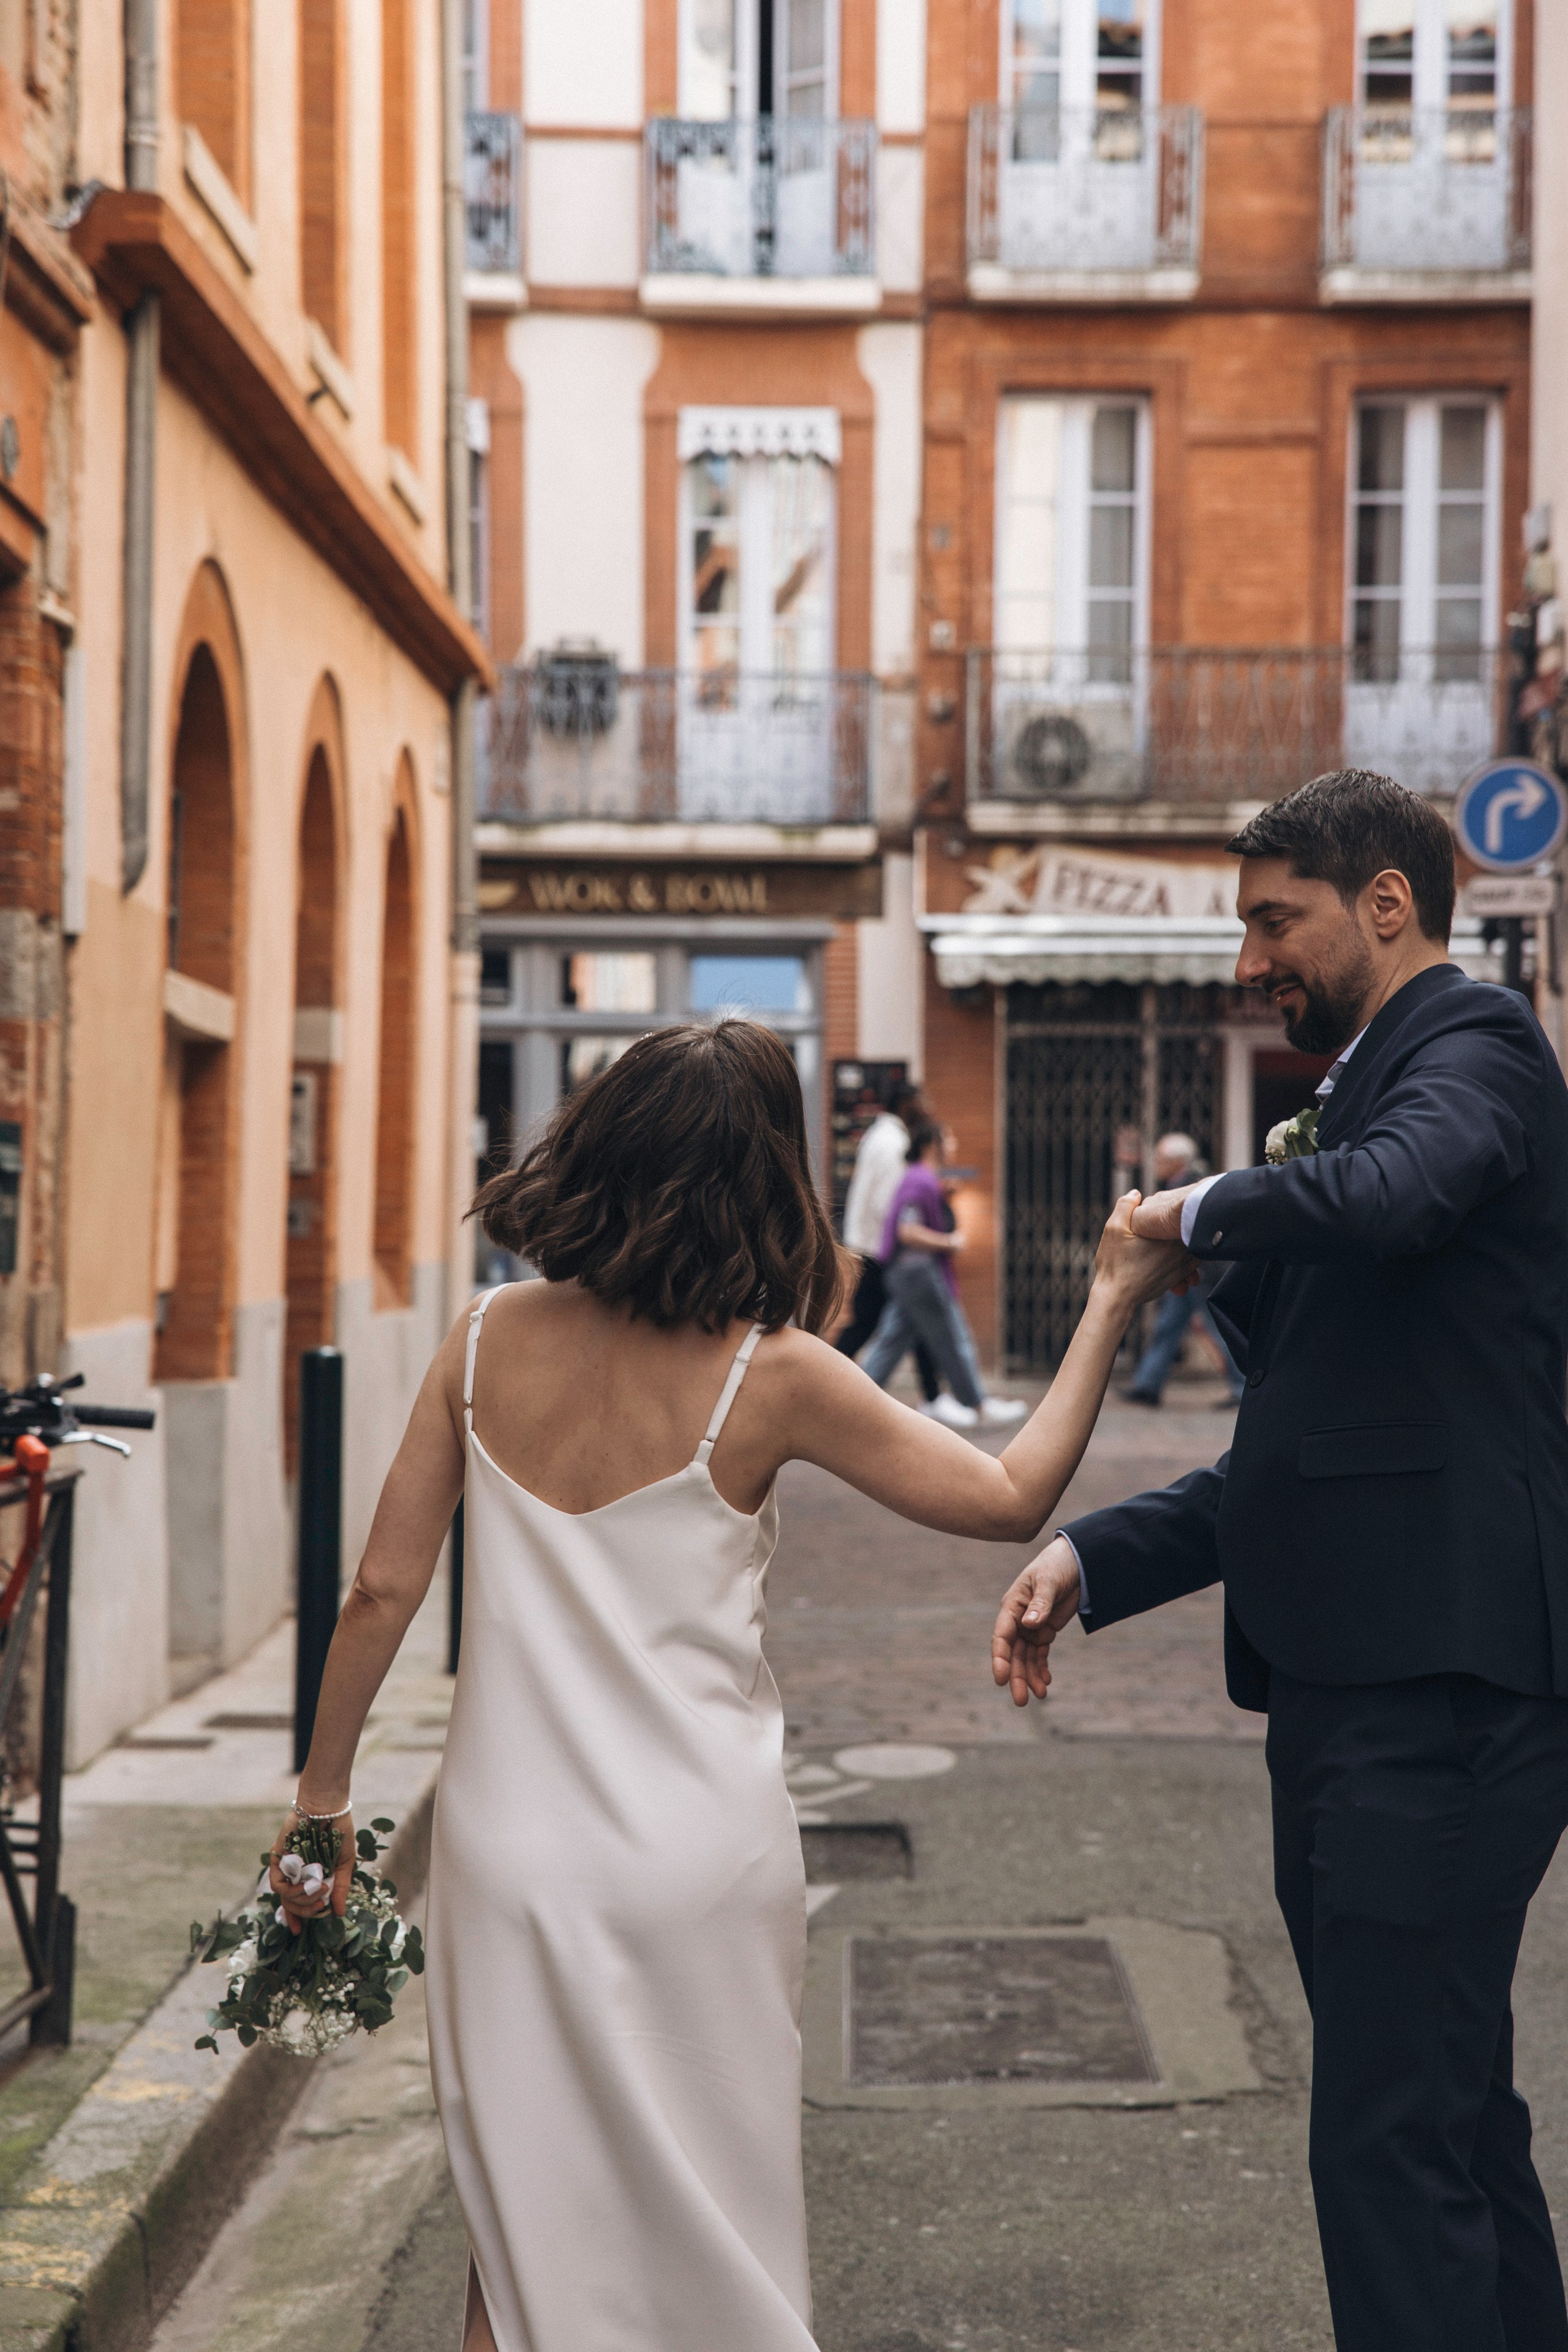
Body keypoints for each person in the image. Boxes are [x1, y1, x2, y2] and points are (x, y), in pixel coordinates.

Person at [271, 1020, 1187, 2352]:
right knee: (710, 2210)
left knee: (519, 2231)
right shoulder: (775, 1379)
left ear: (595, 1150)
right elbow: (1007, 1497)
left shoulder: (480, 1340)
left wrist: (323, 1797)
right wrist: (1107, 1299)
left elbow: (378, 1594)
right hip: (696, 1857)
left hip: (510, 1855)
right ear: (765, 1173)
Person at [992, 768, 1568, 2352]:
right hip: (1360, 1695)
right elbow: (1314, 1450)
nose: (1251, 963)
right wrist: (1097, 1560)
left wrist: (1191, 1209)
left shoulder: (1476, 1050)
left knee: (1386, 2141)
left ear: (1388, 903)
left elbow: (1395, 1195)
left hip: (1441, 1701)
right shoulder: (1376, 1089)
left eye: (1273, 922)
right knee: (1448, 2116)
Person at [861, 1120, 1026, 1428]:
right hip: (919, 1275)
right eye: (947, 1139)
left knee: (892, 1341)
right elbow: (908, 1231)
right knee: (953, 1337)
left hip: (909, 1275)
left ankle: (855, 1403)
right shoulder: (920, 1180)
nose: (952, 1145)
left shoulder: (920, 1179)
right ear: (931, 1144)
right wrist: (950, 1242)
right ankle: (977, 1403)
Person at [835, 1078, 940, 1407]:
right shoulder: (893, 1143)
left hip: (875, 1248)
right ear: (908, 1105)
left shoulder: (881, 1135)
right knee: (868, 1323)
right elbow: (889, 1203)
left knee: (911, 1322)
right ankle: (822, 1380)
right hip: (882, 1251)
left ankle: (934, 1396)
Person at [1121, 1133, 1245, 1408]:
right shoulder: (1178, 1181)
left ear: (1178, 1161)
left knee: (1217, 1329)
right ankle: (1148, 1385)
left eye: (1162, 1158)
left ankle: (1243, 1388)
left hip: (1201, 1272)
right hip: (1185, 1272)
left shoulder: (1195, 1181)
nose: (1156, 1163)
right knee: (1168, 1327)